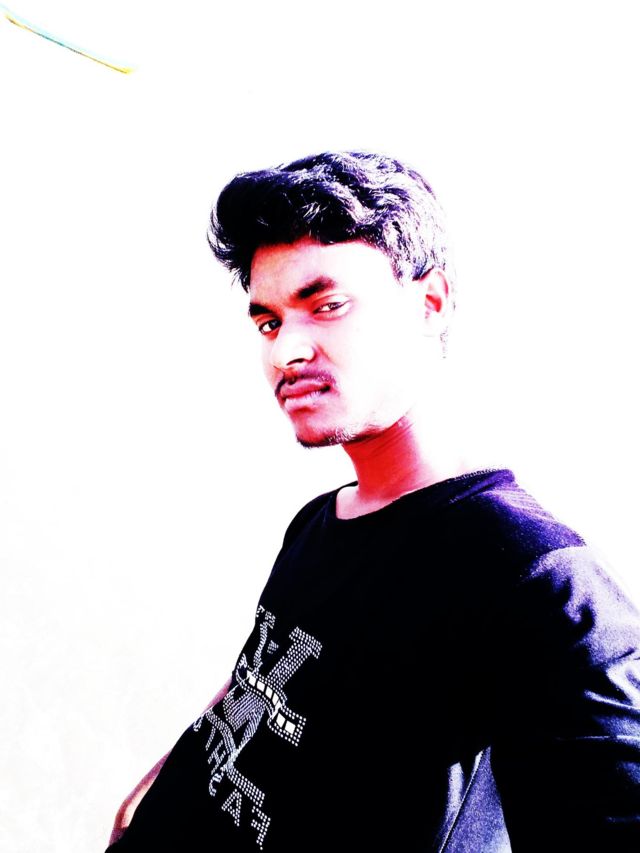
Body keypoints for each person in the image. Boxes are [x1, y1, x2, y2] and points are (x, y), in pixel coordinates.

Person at [106, 151, 640, 851]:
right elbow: (266, 687)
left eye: (326, 306)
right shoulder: (323, 519)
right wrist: (155, 790)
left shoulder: (536, 577)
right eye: (268, 322)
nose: (286, 351)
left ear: (430, 301)